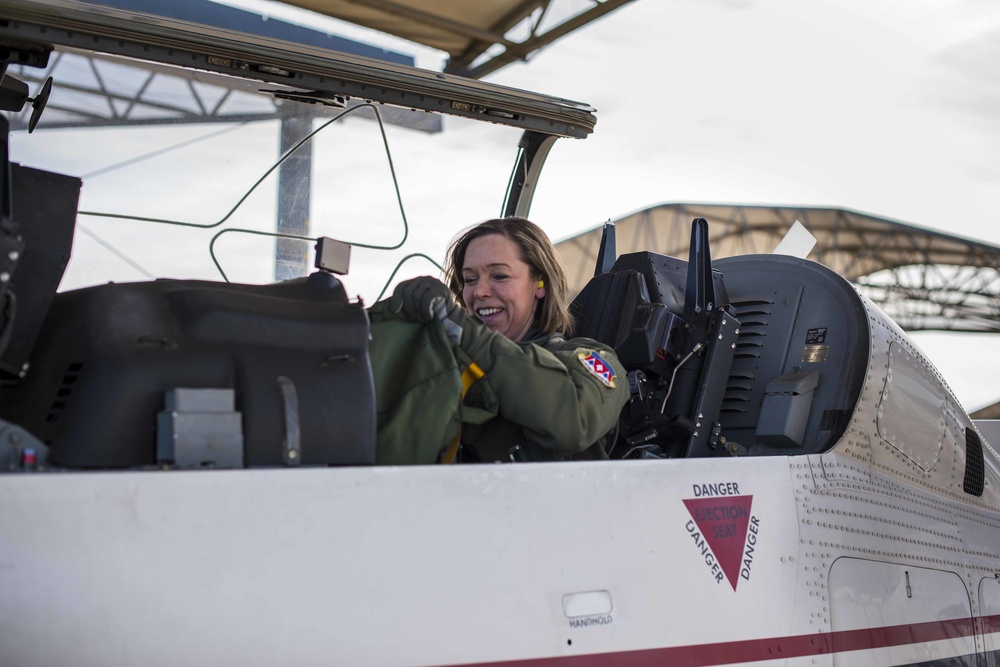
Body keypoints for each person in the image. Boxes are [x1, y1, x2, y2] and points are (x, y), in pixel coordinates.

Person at [389, 217, 629, 462]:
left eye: (500, 276)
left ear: (540, 284)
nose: (480, 291)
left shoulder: (588, 359)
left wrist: (464, 330)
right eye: (470, 279)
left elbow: (574, 423)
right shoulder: (447, 367)